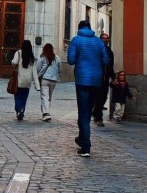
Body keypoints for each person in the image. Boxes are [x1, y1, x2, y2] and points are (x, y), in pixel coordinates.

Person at [67, 20, 109, 157]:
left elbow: (71, 60)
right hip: (96, 81)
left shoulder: (76, 40)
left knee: (83, 113)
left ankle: (86, 147)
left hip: (82, 80)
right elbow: (106, 61)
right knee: (88, 110)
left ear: (79, 28)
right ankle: (82, 139)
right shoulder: (98, 42)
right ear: (90, 29)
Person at [10, 40, 39, 121]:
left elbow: (15, 62)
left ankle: (18, 109)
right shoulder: (31, 56)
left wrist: (12, 62)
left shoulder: (18, 53)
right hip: (28, 81)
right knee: (24, 97)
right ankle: (22, 109)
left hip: (19, 80)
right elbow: (34, 71)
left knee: (17, 96)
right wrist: (37, 85)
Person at [92, 32, 115, 127]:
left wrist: (114, 78)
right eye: (103, 38)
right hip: (96, 78)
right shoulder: (95, 51)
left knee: (103, 97)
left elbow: (110, 67)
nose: (105, 40)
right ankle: (99, 117)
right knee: (98, 97)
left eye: (106, 38)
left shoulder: (110, 52)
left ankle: (95, 111)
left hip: (105, 79)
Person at [34, 43, 62, 122]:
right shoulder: (57, 58)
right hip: (53, 80)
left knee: (44, 97)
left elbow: (38, 68)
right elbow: (60, 69)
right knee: (49, 97)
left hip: (45, 79)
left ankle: (46, 113)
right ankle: (45, 112)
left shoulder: (42, 58)